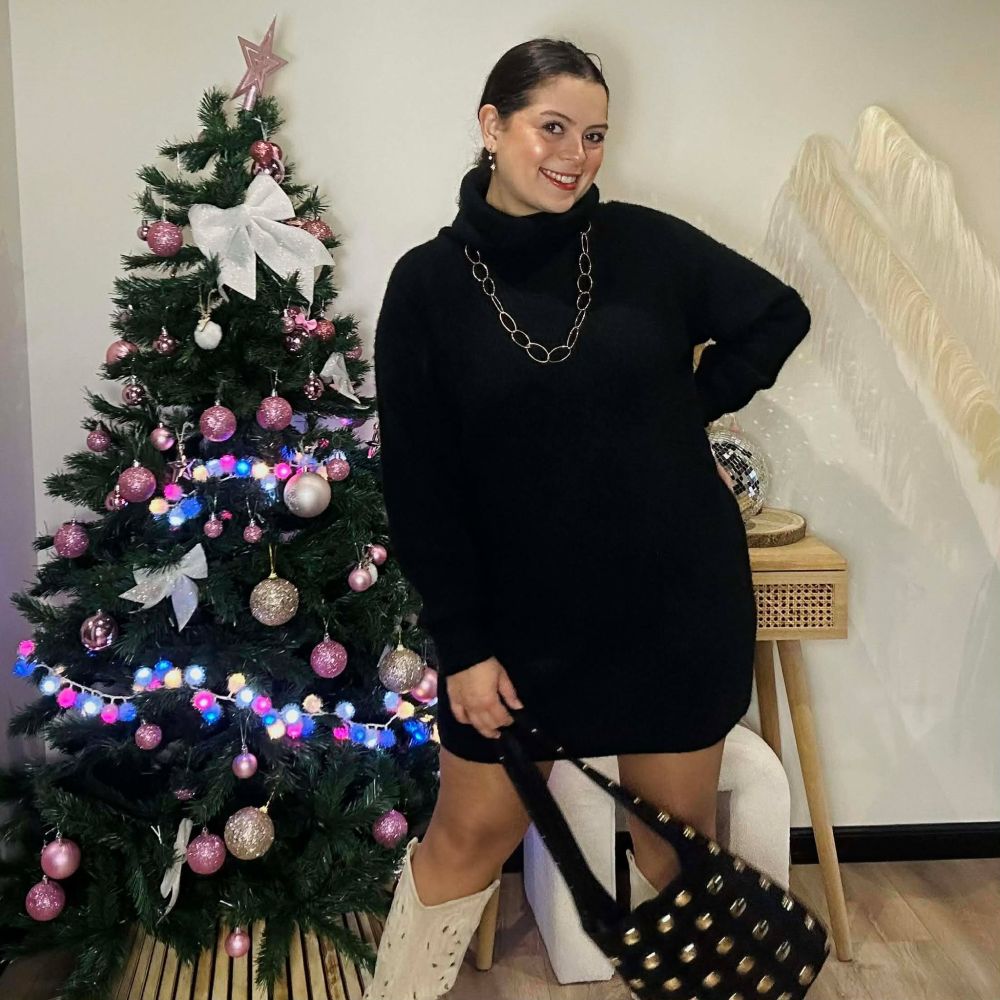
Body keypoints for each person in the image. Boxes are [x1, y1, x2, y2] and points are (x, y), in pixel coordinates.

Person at [364, 37, 811, 1000]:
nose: (575, 155)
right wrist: (463, 646)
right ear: (492, 126)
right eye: (553, 127)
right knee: (467, 837)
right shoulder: (427, 286)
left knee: (672, 848)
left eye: (595, 135)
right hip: (520, 624)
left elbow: (780, 315)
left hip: (671, 601)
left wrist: (687, 407)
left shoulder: (648, 247)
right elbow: (421, 485)